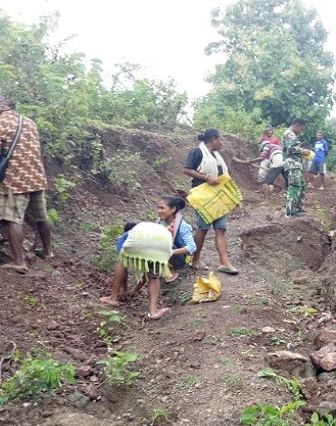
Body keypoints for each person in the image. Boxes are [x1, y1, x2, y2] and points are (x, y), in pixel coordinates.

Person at [0, 95, 51, 274]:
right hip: (37, 176)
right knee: (41, 216)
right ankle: (48, 252)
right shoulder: (29, 122)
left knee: (13, 219)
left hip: (16, 179)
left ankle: (19, 262)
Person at [182, 128, 239, 275]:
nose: (222, 142)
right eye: (220, 139)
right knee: (203, 227)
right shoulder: (197, 152)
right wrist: (206, 177)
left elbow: (224, 177)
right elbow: (187, 170)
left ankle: (225, 263)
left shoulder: (216, 156)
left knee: (221, 228)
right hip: (202, 195)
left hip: (219, 195)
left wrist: (233, 198)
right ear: (214, 139)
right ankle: (195, 259)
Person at [99, 221, 175, 320]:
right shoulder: (149, 230)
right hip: (164, 242)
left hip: (162, 238)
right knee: (153, 275)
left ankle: (113, 299)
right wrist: (136, 290)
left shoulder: (127, 237)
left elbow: (123, 268)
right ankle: (153, 312)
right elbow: (147, 275)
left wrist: (124, 290)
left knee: (121, 261)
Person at [157, 196, 196, 282]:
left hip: (178, 257)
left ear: (173, 209)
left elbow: (192, 247)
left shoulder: (183, 226)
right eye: (158, 208)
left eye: (162, 208)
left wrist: (171, 252)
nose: (159, 211)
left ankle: (172, 270)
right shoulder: (161, 222)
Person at [282, 118, 309, 217]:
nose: (301, 132)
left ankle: (297, 208)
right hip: (292, 164)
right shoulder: (290, 134)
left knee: (301, 184)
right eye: (301, 129)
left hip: (296, 164)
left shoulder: (292, 134)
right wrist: (303, 151)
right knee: (295, 186)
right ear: (296, 125)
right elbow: (290, 149)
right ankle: (290, 211)